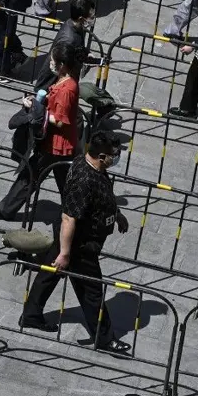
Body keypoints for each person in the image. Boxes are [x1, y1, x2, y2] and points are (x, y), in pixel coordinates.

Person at [19, 131, 132, 354]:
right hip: (81, 244)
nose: (116, 158)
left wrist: (116, 214)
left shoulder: (94, 166)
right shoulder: (84, 178)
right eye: (113, 155)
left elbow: (102, 196)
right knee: (92, 291)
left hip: (75, 240)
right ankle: (104, 338)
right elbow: (69, 217)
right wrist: (65, 252)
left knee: (50, 272)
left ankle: (31, 315)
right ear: (101, 156)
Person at [0, 43, 80, 220]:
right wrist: (38, 102)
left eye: (53, 61)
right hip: (57, 144)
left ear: (62, 65)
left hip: (56, 144)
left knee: (30, 176)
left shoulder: (68, 89)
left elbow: (61, 121)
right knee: (64, 184)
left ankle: (6, 210)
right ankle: (76, 213)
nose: (50, 63)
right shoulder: (64, 81)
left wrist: (39, 112)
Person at [34, 0, 97, 91]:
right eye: (91, 17)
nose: (93, 19)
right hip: (53, 86)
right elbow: (59, 66)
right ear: (81, 19)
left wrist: (85, 53)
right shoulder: (68, 40)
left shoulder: (75, 25)